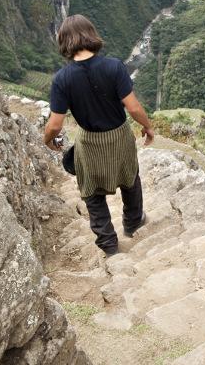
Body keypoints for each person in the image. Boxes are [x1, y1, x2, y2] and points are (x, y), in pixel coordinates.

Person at [43, 14, 155, 256]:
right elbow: (133, 108)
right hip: (120, 135)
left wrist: (48, 139)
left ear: (64, 42)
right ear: (91, 34)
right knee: (130, 178)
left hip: (89, 141)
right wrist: (147, 126)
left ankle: (109, 245)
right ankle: (133, 222)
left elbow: (55, 124)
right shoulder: (114, 67)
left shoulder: (62, 79)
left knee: (92, 192)